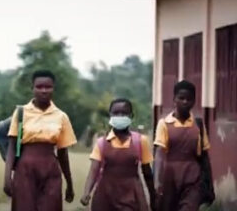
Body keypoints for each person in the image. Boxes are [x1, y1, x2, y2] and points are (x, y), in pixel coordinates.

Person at [3, 70, 77, 211]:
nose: (44, 90)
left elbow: (62, 153)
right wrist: (7, 177)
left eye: (48, 87)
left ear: (53, 89)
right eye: (39, 87)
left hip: (51, 170)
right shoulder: (21, 113)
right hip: (25, 170)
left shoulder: (61, 116)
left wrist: (69, 184)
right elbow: (12, 147)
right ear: (32, 88)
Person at [80, 98, 155, 211]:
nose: (120, 116)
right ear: (110, 115)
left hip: (131, 195)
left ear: (131, 116)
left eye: (124, 113)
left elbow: (147, 172)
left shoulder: (140, 141)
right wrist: (86, 192)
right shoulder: (102, 143)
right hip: (105, 195)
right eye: (116, 113)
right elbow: (94, 170)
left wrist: (153, 196)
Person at [154, 80, 212, 211]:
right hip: (169, 178)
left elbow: (204, 156)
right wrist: (157, 182)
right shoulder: (164, 124)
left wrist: (209, 185)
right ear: (174, 99)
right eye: (181, 98)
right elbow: (159, 154)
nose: (185, 102)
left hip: (192, 177)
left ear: (194, 101)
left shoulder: (198, 125)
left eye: (189, 99)